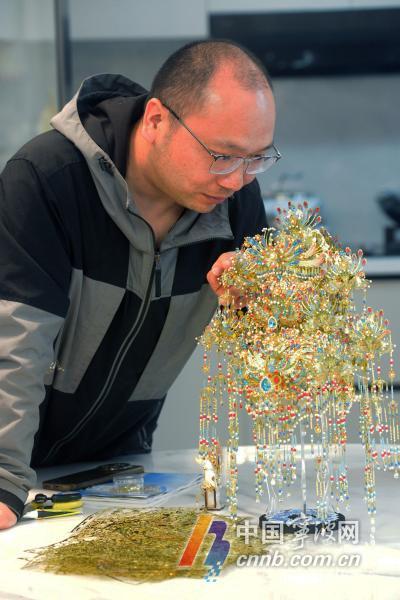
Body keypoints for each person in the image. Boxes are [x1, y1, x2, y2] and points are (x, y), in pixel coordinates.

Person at [0, 39, 280, 529]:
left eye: (256, 159)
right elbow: (17, 340)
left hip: (112, 469)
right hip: (13, 467)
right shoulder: (47, 179)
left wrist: (257, 304)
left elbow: (280, 351)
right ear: (155, 120)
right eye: (222, 155)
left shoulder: (235, 205)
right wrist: (4, 478)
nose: (236, 181)